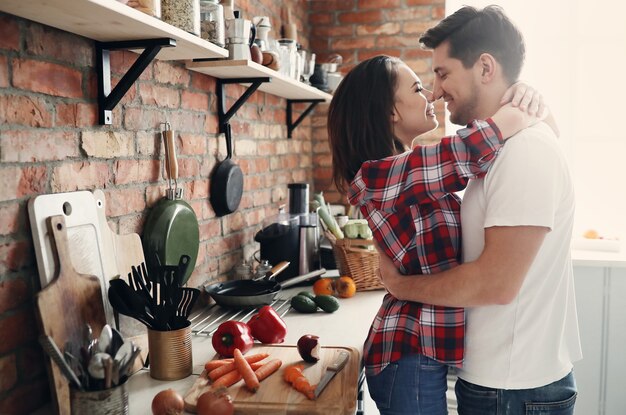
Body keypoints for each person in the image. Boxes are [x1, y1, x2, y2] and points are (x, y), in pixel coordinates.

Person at [377, 5, 581, 415]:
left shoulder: (525, 152)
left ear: (485, 67)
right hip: (501, 383)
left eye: (442, 73)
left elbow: (495, 285)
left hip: (512, 389)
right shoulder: (498, 149)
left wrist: (401, 286)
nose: (436, 90)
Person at [328, 54, 547, 414]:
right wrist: (518, 108)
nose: (431, 95)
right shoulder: (375, 177)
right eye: (417, 88)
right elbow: (463, 152)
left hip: (423, 351)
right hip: (407, 351)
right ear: (391, 112)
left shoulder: (410, 176)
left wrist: (522, 95)